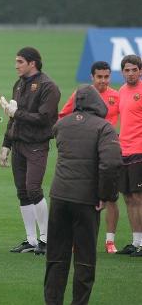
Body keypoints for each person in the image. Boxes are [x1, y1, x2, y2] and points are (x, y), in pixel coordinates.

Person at [44, 84, 121, 304]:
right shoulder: (104, 128)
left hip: (59, 196)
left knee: (56, 257)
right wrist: (106, 196)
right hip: (86, 200)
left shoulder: (62, 125)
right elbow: (111, 164)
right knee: (85, 259)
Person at [0, 47, 61, 255]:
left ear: (32, 63)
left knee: (33, 189)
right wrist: (6, 145)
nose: (16, 65)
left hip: (36, 145)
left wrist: (17, 112)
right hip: (18, 145)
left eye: (20, 62)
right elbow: (12, 118)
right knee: (22, 193)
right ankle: (31, 240)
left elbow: (45, 119)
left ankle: (45, 239)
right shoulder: (19, 84)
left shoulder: (48, 86)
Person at [59, 61, 120, 253]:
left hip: (106, 152)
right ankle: (77, 241)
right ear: (92, 77)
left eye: (106, 77)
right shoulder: (81, 95)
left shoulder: (116, 96)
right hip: (85, 152)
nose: (103, 81)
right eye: (99, 77)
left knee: (110, 197)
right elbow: (63, 117)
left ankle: (110, 241)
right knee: (81, 197)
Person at [116, 54, 142, 256]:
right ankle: (136, 242)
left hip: (139, 151)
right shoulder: (121, 91)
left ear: (140, 71)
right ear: (122, 72)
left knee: (138, 197)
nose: (131, 73)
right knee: (128, 198)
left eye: (134, 70)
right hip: (123, 150)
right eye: (127, 70)